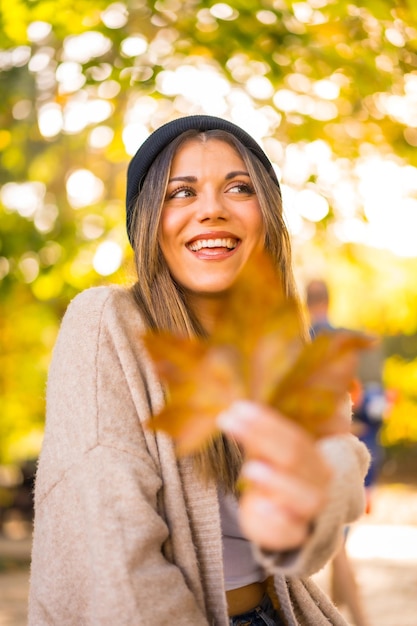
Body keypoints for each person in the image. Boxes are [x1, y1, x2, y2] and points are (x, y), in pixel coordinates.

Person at [29, 116, 370, 626]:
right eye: (181, 193)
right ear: (149, 222)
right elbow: (116, 558)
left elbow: (305, 551)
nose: (211, 209)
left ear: (267, 216)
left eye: (238, 188)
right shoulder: (107, 324)